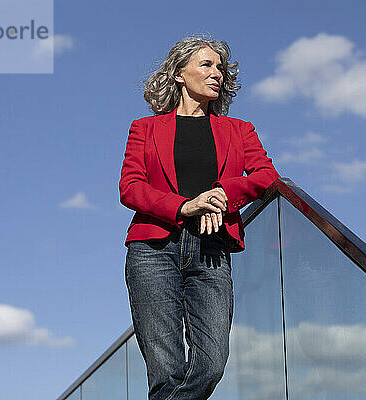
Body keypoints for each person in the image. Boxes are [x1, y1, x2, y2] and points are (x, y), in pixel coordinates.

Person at [119, 34, 280, 400]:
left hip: (212, 247)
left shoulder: (239, 130)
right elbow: (130, 187)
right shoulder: (144, 129)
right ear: (179, 73)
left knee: (212, 363)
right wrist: (184, 206)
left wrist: (224, 193)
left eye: (220, 67)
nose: (217, 73)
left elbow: (266, 175)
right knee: (166, 372)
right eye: (206, 65)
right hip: (152, 248)